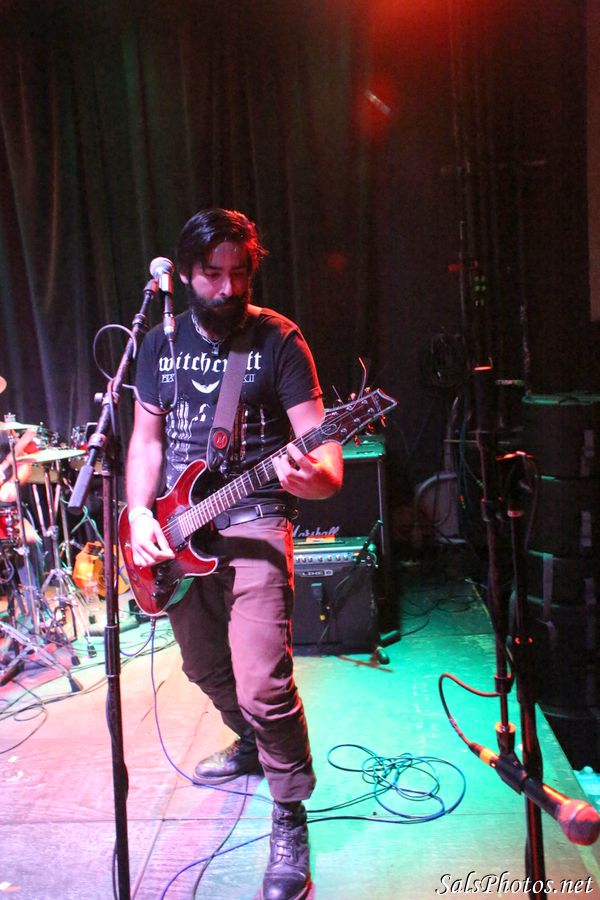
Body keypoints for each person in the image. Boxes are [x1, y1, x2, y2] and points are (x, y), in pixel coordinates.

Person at [126, 208, 343, 900]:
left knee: (264, 685)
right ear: (187, 272)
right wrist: (139, 513)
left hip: (255, 517)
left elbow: (326, 459)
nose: (227, 287)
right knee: (202, 667)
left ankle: (289, 810)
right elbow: (147, 440)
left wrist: (312, 478)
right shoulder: (157, 343)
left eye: (238, 273)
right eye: (212, 274)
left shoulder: (278, 340)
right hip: (179, 529)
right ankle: (251, 744)